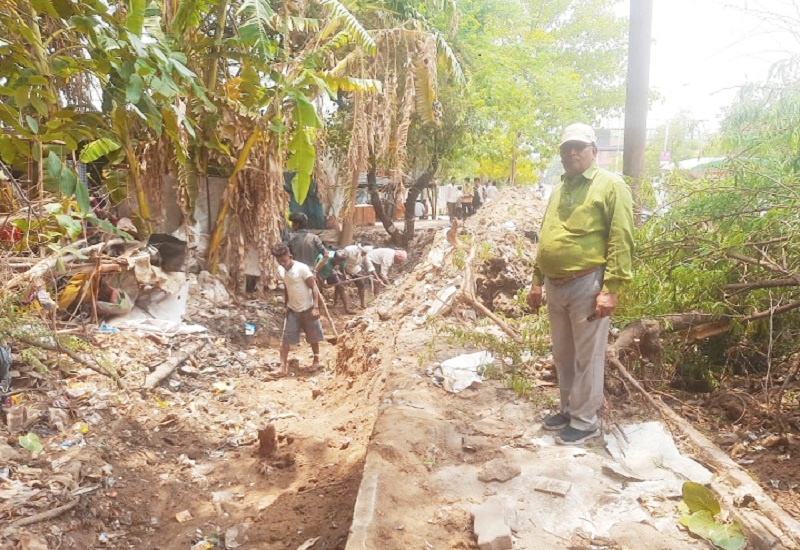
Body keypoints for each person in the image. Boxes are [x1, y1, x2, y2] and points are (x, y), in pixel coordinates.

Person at [526, 122, 634, 445]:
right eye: (565, 148)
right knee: (563, 353)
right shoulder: (560, 188)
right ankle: (568, 409)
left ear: (594, 151)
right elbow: (547, 235)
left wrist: (611, 288)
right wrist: (536, 281)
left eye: (578, 147)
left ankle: (585, 421)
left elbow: (621, 237)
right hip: (556, 286)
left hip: (587, 283)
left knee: (588, 356)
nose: (571, 153)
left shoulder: (610, 185)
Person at [273, 243, 324, 373]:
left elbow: (314, 287)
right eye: (279, 262)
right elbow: (287, 287)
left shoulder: (302, 268)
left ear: (289, 255)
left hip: (308, 308)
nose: (282, 263)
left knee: (313, 337)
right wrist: (286, 305)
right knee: (286, 338)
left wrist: (316, 307)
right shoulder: (281, 271)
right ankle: (283, 366)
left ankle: (316, 361)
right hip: (292, 310)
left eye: (284, 260)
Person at [314, 248, 351, 313]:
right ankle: (318, 311)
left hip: (331, 270)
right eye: (338, 262)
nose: (339, 263)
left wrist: (346, 277)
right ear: (334, 258)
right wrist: (322, 284)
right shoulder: (325, 262)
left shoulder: (342, 258)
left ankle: (347, 309)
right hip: (319, 271)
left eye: (341, 262)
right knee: (318, 292)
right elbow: (317, 273)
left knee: (341, 287)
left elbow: (342, 268)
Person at [337, 244, 371, 309]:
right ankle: (338, 304)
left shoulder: (365, 254)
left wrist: (369, 273)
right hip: (343, 268)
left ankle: (362, 303)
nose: (364, 255)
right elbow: (340, 260)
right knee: (340, 285)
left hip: (355, 267)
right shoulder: (348, 250)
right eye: (364, 253)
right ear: (361, 250)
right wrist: (345, 272)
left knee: (362, 284)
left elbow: (367, 263)